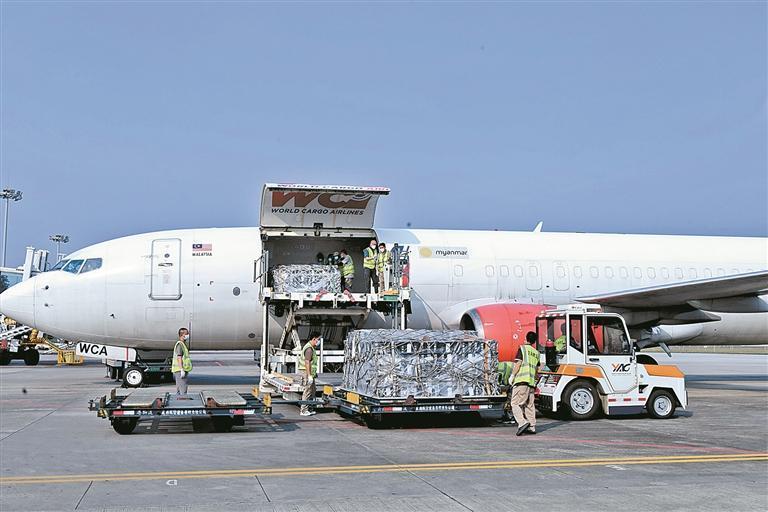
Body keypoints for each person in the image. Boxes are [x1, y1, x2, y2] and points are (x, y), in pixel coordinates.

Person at [509, 331, 540, 436]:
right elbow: (537, 370)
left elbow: (518, 364)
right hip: (531, 383)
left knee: (515, 403)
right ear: (534, 341)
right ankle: (532, 427)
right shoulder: (536, 353)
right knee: (529, 405)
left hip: (521, 381)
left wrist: (512, 375)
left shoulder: (522, 349)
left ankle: (522, 423)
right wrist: (535, 381)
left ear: (526, 339)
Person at [298, 331, 321, 416]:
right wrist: (309, 376)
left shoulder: (311, 347)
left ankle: (309, 408)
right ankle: (303, 410)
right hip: (306, 373)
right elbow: (307, 362)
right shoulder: (309, 349)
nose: (319, 341)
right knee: (307, 390)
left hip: (310, 373)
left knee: (312, 390)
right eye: (318, 339)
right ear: (314, 339)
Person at [172, 327, 193, 395]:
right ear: (182, 335)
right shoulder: (180, 345)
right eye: (187, 334)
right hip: (180, 369)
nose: (188, 335)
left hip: (180, 369)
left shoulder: (182, 344)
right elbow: (179, 357)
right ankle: (183, 400)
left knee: (179, 390)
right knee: (183, 389)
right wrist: (181, 369)